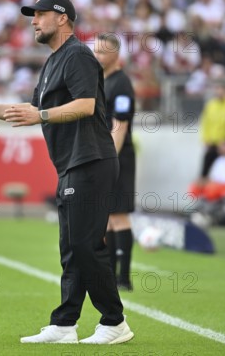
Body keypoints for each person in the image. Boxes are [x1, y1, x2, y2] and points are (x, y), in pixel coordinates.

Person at [0, 0, 133, 345]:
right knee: (70, 247)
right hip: (71, 163)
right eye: (32, 15)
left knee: (84, 244)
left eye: (40, 15)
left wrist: (42, 115)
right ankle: (64, 324)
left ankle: (114, 322)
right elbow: (29, 108)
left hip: (91, 160)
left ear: (62, 18)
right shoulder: (52, 62)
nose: (33, 20)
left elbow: (86, 104)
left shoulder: (77, 54)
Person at [93, 34, 136, 291]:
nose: (96, 56)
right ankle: (109, 273)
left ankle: (124, 278)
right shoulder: (103, 81)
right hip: (106, 154)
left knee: (119, 216)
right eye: (95, 50)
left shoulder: (121, 84)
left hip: (118, 156)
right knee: (107, 217)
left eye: (101, 52)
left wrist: (111, 159)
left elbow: (119, 127)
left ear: (116, 55)